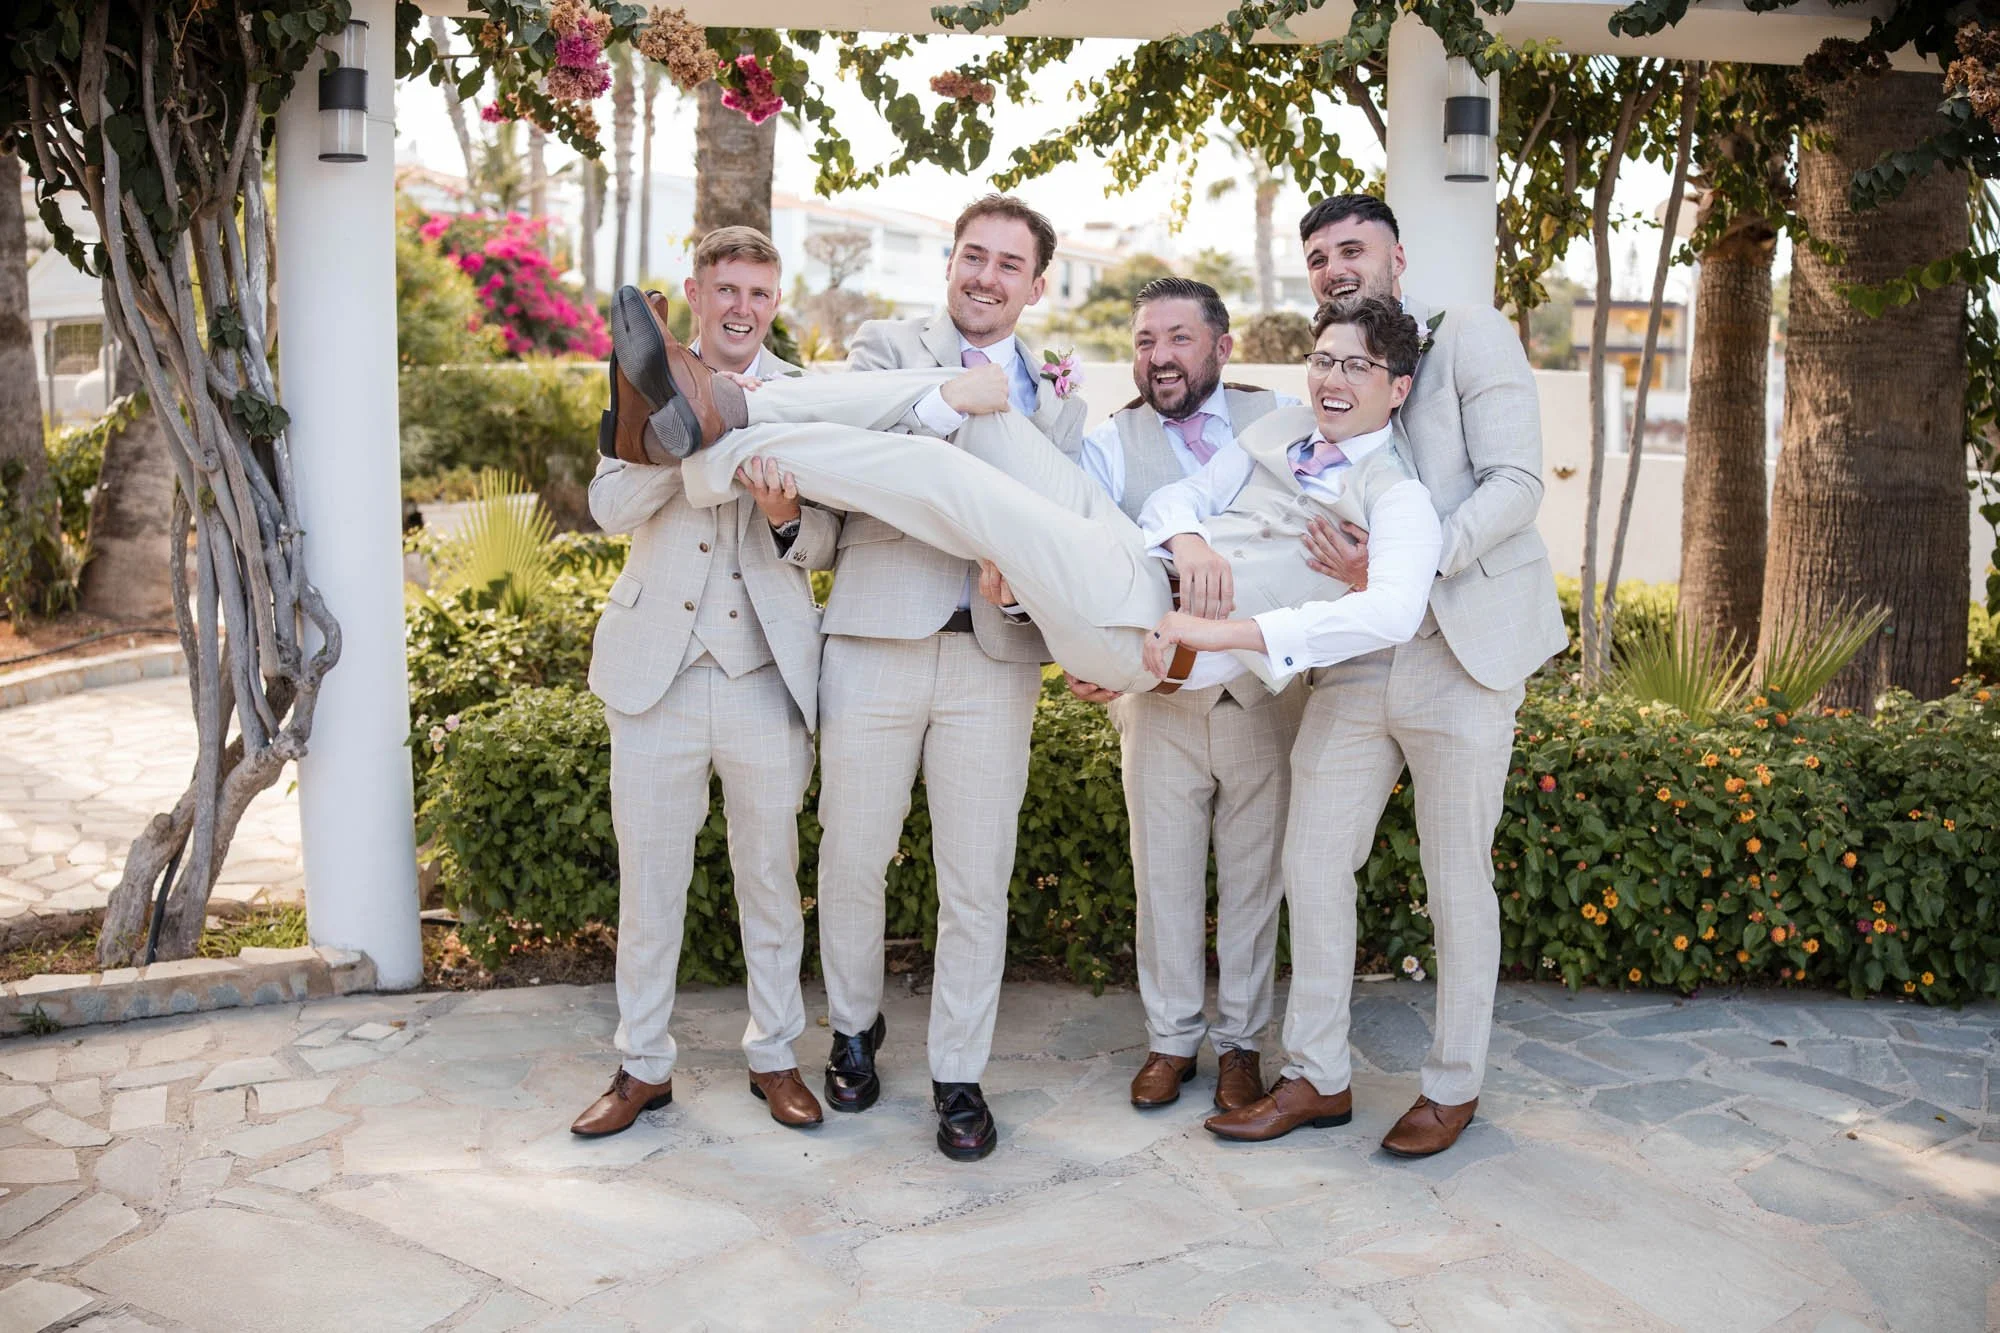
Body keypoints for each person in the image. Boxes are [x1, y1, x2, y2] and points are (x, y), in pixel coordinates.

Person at [604, 280, 1440, 749]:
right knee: (977, 405)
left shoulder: (1399, 496)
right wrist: (1186, 532)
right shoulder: (1288, 425)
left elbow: (1391, 610)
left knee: (942, 472)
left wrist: (1227, 634)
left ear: (1397, 388)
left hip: (1148, 626)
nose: (1331, 380)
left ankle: (704, 442)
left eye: (1356, 368)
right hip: (1132, 559)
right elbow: (1187, 494)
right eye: (1324, 359)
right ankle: (732, 408)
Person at [1203, 195, 1568, 1156]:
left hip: (1462, 644)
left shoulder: (1472, 335)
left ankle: (1453, 1086)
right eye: (1317, 255)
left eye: (1350, 248)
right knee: (1312, 860)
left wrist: (1408, 564)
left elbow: (1518, 485)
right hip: (1357, 653)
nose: (1333, 265)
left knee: (1457, 880)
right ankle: (1317, 1075)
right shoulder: (1329, 374)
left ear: (1396, 256)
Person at [806, 195, 1086, 1163]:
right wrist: (941, 405)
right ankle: (851, 1027)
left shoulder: (1059, 396)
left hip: (993, 655)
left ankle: (958, 1073)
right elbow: (851, 466)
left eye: (1010, 265)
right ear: (949, 262)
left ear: (1035, 286)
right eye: (974, 256)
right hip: (876, 636)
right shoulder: (885, 349)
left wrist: (1028, 586)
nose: (986, 276)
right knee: (852, 851)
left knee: (977, 876)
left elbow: (1063, 525)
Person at [571, 228, 836, 1139]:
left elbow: (831, 542)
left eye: (758, 293)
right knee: (650, 884)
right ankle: (642, 1065)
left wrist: (785, 509)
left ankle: (774, 1055)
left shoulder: (803, 398)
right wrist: (694, 448)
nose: (740, 308)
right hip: (657, 676)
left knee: (770, 876)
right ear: (693, 291)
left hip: (765, 671)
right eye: (724, 289)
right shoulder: (640, 379)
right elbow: (606, 506)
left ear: (775, 300)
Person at [1071, 277, 1305, 1114]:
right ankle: (1171, 1040)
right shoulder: (1106, 445)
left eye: (1177, 339)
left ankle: (1242, 1042)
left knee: (1255, 878)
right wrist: (1080, 652)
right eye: (1144, 342)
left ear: (1221, 346)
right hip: (1159, 702)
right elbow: (1088, 558)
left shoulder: (1282, 417)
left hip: (1265, 697)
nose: (1159, 358)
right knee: (1161, 877)